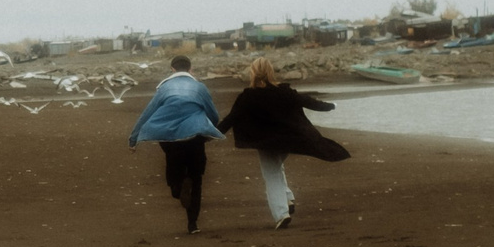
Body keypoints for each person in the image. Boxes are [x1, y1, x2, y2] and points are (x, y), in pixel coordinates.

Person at [221, 57, 350, 229]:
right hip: (287, 141)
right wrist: (331, 106)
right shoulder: (284, 91)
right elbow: (308, 101)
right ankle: (288, 198)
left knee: (271, 175)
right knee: (277, 169)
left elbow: (231, 118)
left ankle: (281, 214)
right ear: (270, 72)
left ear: (252, 73)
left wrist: (212, 134)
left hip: (266, 142)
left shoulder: (248, 96)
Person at [126, 56, 223, 234]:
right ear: (190, 68)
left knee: (174, 167)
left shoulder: (164, 88)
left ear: (172, 69)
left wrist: (133, 138)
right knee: (197, 179)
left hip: (170, 138)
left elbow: (148, 112)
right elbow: (213, 113)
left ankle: (177, 188)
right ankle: (192, 224)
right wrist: (210, 130)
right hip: (195, 136)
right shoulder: (199, 87)